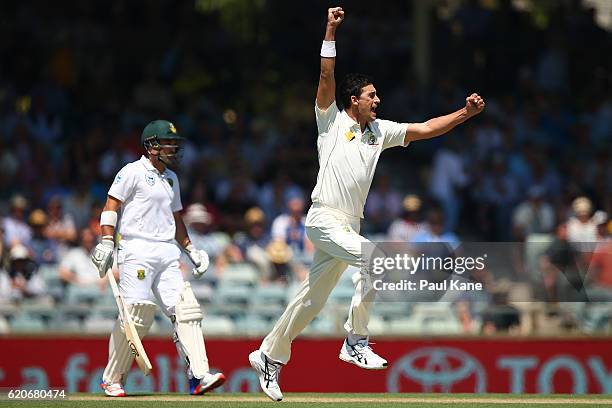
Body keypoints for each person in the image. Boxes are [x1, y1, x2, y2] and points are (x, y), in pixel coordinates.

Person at [248, 7, 485, 401]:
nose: (378, 100)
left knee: (312, 300)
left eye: (377, 95)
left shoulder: (380, 131)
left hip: (348, 225)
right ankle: (355, 340)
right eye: (371, 96)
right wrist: (329, 30)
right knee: (376, 259)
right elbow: (326, 75)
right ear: (353, 100)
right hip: (324, 217)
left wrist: (465, 113)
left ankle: (268, 355)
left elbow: (425, 129)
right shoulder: (331, 122)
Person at [90, 120, 225, 397]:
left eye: (175, 143)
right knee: (137, 313)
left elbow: (175, 218)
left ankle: (198, 376)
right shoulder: (132, 172)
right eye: (168, 143)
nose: (174, 148)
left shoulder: (172, 179)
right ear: (152, 146)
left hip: (166, 251)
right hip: (136, 248)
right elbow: (111, 206)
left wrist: (191, 248)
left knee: (186, 309)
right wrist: (105, 241)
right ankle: (112, 379)